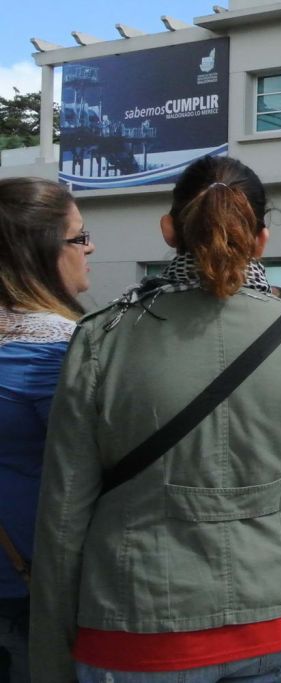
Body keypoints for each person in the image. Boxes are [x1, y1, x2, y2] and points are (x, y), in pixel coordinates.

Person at [29, 155, 281, 683]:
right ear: (261, 239)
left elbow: (63, 514)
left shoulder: (102, 339)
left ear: (169, 229)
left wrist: (53, 650)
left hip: (137, 627)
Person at [0, 177, 94, 682]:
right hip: (32, 593)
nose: (90, 247)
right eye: (79, 237)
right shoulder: (60, 351)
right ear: (41, 251)